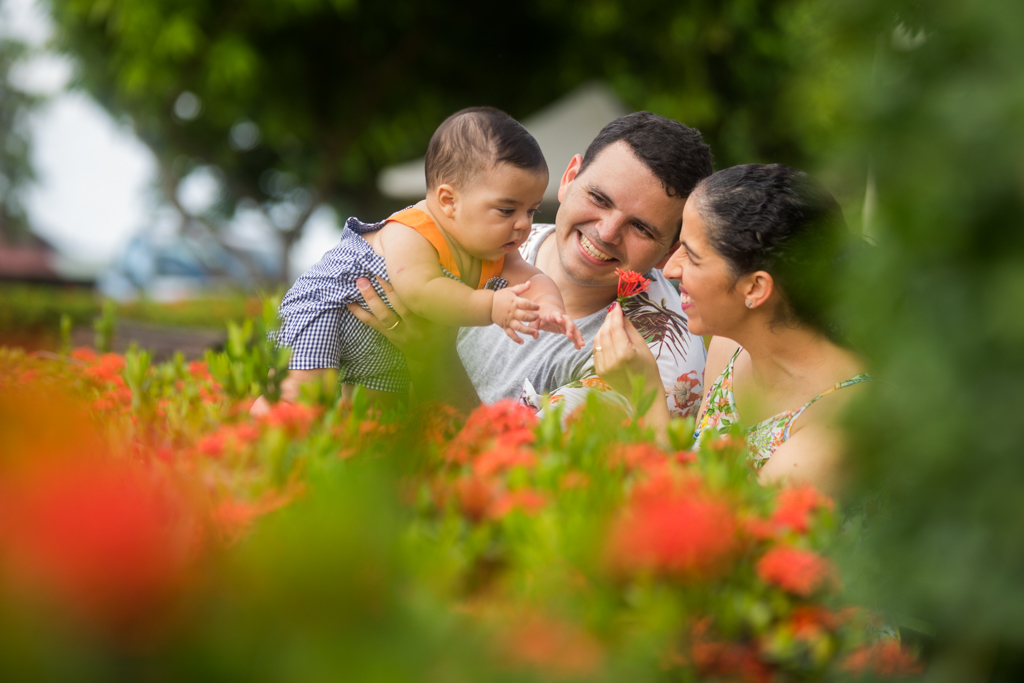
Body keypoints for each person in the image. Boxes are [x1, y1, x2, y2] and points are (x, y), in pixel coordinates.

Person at [348, 112, 713, 418]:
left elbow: (518, 483)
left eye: (641, 228)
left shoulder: (661, 359)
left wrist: (432, 359)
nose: (606, 233)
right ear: (569, 179)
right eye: (599, 198)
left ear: (670, 251)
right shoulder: (483, 235)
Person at [257, 108, 583, 412]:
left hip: (380, 338)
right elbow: (421, 292)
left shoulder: (495, 249)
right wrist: (491, 306)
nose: (523, 224)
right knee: (300, 398)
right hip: (328, 306)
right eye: (507, 210)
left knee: (377, 415)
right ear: (448, 200)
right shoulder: (412, 231)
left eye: (532, 210)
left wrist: (550, 306)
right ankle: (252, 442)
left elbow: (533, 279)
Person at [593, 163, 869, 496]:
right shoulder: (729, 347)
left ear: (754, 289)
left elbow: (714, 542)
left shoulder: (840, 425)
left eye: (692, 257)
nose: (670, 268)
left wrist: (644, 398)